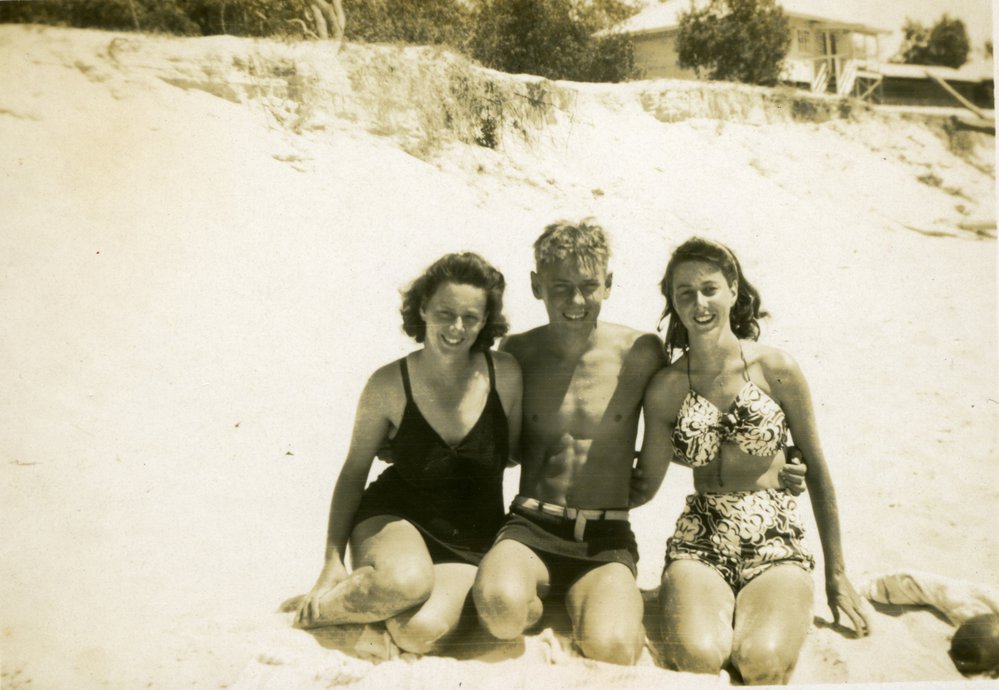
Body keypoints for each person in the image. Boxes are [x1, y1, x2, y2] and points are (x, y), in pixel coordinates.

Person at [471, 220, 806, 665]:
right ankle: (537, 600)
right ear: (536, 285)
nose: (575, 301)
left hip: (605, 536)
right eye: (560, 287)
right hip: (532, 525)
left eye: (588, 286)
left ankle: (583, 599)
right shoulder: (517, 351)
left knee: (615, 649)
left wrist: (781, 459)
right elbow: (506, 451)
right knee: (501, 611)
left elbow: (693, 420)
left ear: (608, 284)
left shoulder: (641, 352)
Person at [641, 236, 870, 684]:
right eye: (684, 293)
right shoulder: (666, 387)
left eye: (709, 289)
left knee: (760, 661)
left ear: (733, 290)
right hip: (701, 538)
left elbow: (818, 472)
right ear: (672, 301)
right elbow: (644, 478)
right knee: (698, 657)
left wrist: (837, 574)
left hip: (776, 539)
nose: (699, 303)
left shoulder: (776, 368)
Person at [295, 252, 522, 655]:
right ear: (423, 309)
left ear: (486, 319)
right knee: (407, 582)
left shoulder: (505, 374)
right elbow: (353, 472)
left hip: (471, 539)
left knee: (418, 633)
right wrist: (332, 561)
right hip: (393, 519)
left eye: (470, 317)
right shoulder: (388, 385)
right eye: (445, 313)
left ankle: (374, 603)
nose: (456, 328)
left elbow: (514, 454)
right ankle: (315, 612)